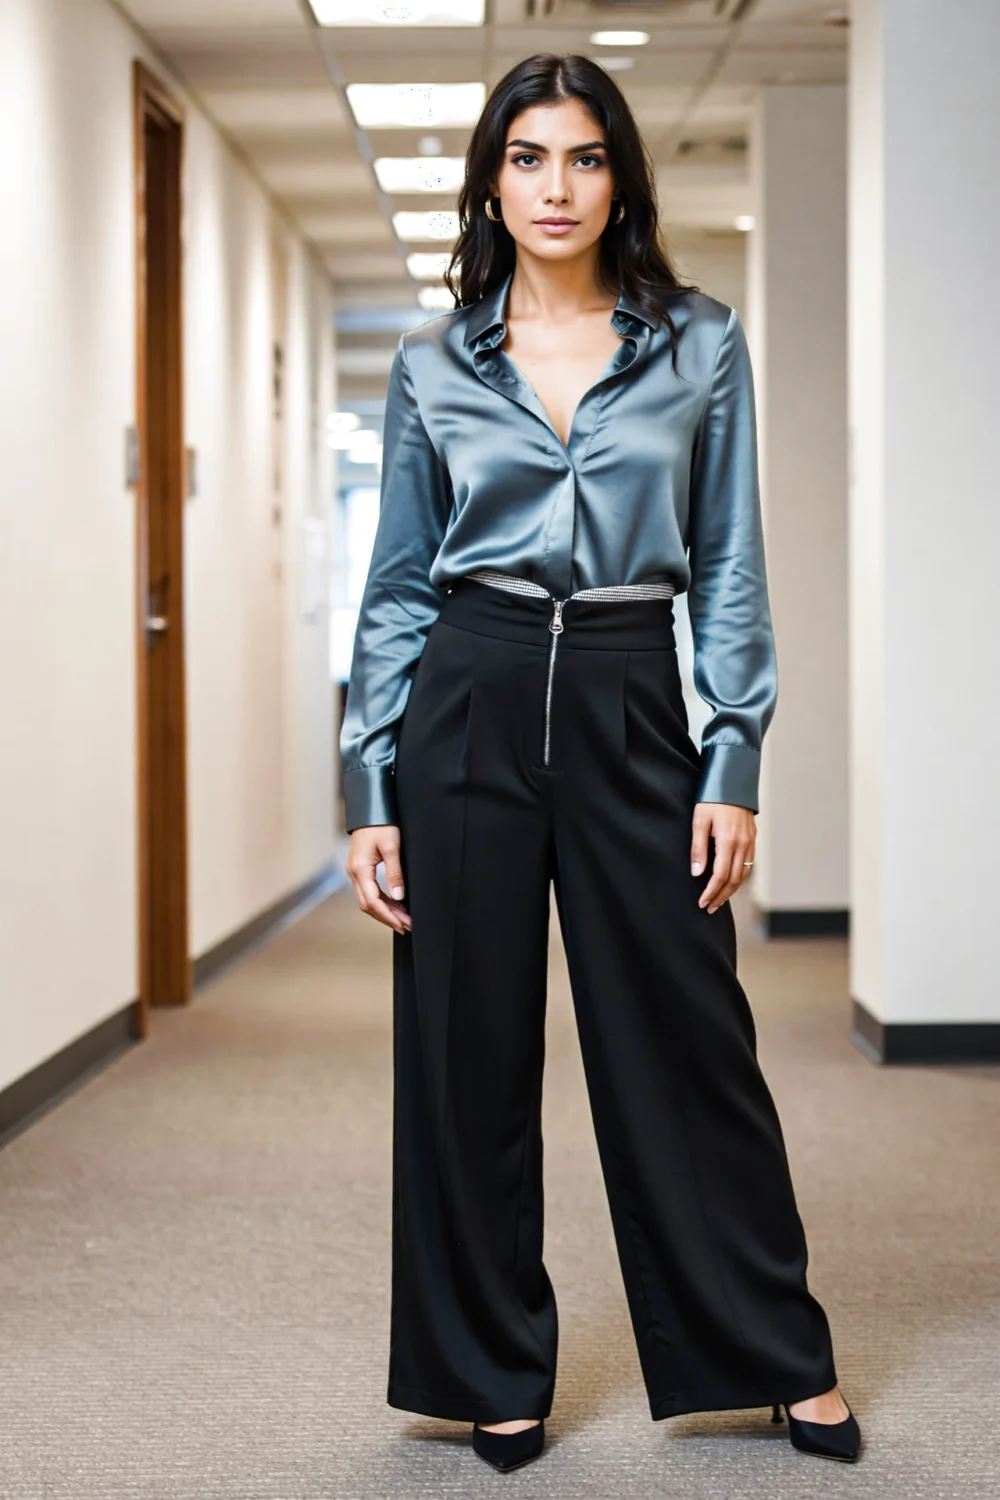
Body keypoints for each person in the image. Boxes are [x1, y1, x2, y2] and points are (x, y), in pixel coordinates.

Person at [339, 52, 861, 1471]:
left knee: (690, 1042)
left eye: (581, 157)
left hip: (636, 695)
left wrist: (734, 752)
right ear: (491, 184)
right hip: (469, 696)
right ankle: (489, 1369)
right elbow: (395, 586)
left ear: (618, 176)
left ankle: (772, 1353)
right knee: (464, 1051)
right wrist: (370, 786)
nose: (554, 187)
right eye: (526, 159)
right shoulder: (435, 363)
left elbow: (733, 566)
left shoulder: (698, 343)